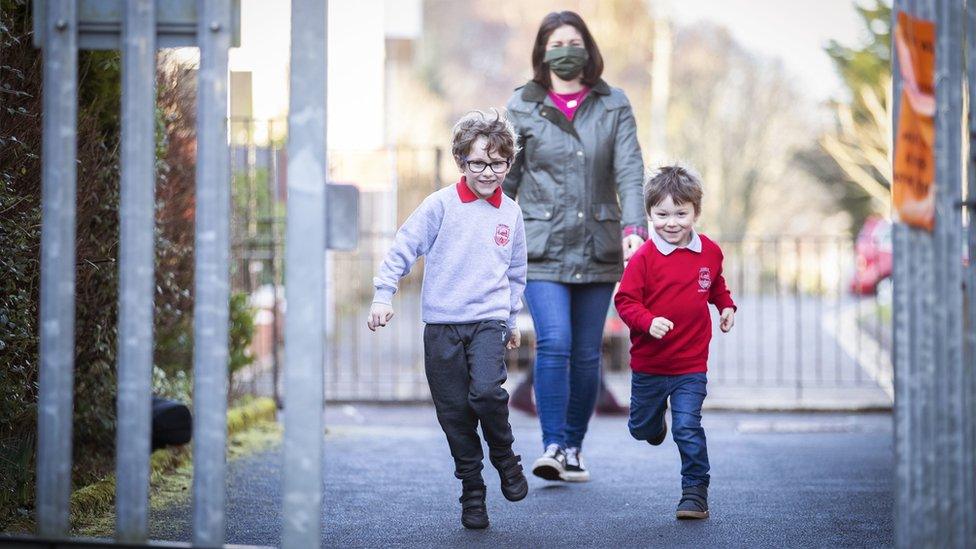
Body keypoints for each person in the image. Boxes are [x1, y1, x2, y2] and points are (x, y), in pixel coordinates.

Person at [503, 11, 647, 483]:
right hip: (540, 246)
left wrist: (634, 227)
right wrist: (489, 233)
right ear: (543, 52)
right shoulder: (522, 105)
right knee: (555, 341)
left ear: (587, 48)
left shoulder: (613, 104)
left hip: (598, 244)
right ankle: (551, 445)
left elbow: (628, 168)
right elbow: (508, 178)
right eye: (556, 42)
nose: (566, 49)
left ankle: (574, 447)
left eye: (574, 40)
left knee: (587, 353)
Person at [367, 110, 529, 529]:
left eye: (497, 163)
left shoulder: (510, 213)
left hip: (489, 320)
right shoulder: (438, 205)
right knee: (454, 413)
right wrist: (384, 294)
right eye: (478, 162)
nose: (488, 171)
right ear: (461, 161)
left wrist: (511, 320)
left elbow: (516, 272)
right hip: (441, 323)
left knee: (488, 394)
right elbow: (403, 248)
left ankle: (505, 456)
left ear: (508, 164)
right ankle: (472, 490)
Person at [613, 165, 737, 520]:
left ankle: (695, 492)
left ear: (696, 212)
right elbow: (625, 301)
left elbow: (716, 285)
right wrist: (648, 322)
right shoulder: (643, 259)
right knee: (641, 429)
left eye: (681, 213)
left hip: (690, 365)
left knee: (687, 427)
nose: (671, 222)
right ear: (650, 214)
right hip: (650, 366)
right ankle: (654, 424)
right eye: (662, 214)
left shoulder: (710, 252)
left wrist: (725, 306)